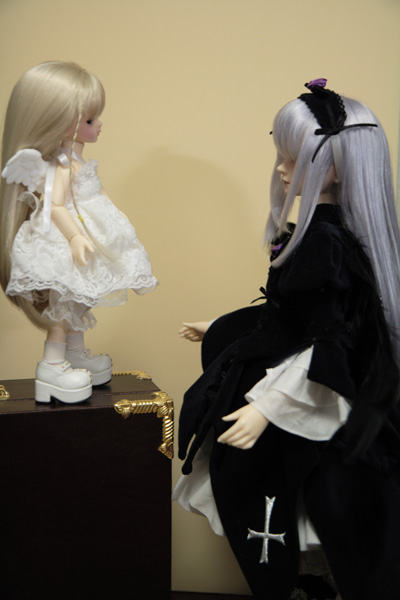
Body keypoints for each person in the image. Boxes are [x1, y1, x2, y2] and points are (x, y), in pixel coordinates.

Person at [173, 80, 400, 600]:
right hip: (299, 391)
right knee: (301, 509)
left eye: (292, 158)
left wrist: (266, 407)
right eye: (279, 154)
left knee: (312, 502)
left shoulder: (327, 243)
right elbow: (293, 315)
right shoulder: (318, 233)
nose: (280, 168)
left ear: (334, 167)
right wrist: (223, 325)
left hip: (311, 397)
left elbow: (329, 341)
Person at [0, 61, 158, 403]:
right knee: (63, 302)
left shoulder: (80, 162)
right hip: (66, 240)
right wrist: (74, 237)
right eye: (89, 120)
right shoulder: (60, 166)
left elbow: (96, 191)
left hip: (91, 233)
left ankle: (73, 354)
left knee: (80, 298)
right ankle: (51, 365)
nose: (99, 124)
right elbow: (56, 206)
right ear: (60, 124)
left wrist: (116, 220)